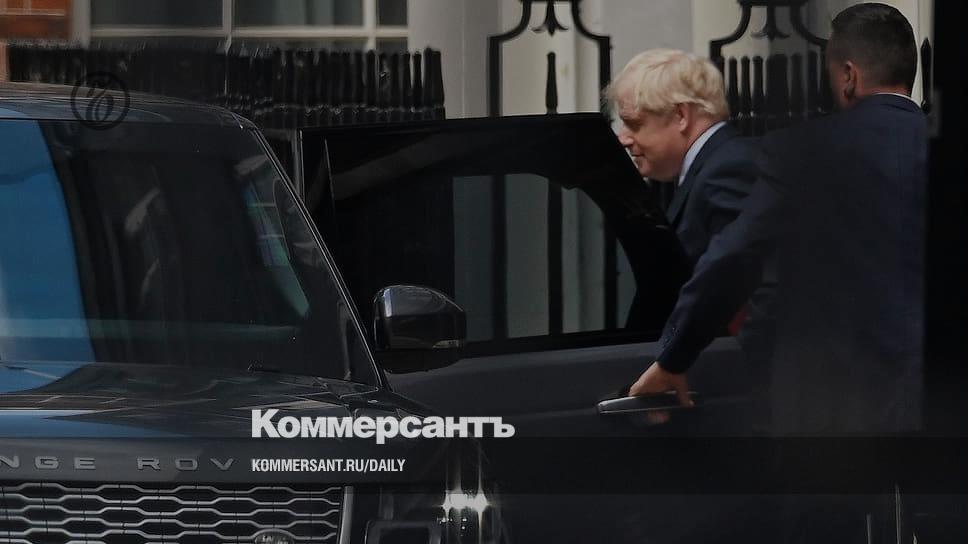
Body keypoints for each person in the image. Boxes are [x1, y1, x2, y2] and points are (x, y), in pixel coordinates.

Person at [629, 2, 927, 436]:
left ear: (848, 76)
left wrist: (674, 355)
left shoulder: (800, 153)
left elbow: (734, 258)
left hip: (835, 406)